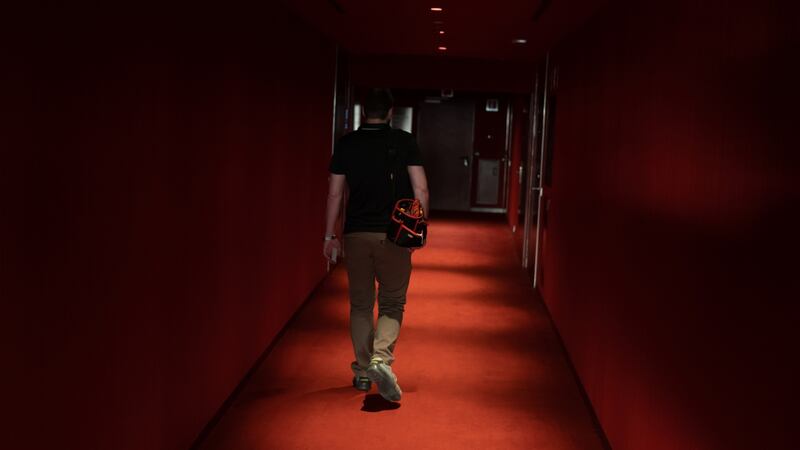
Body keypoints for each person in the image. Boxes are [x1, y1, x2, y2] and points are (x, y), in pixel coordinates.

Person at [323, 88, 429, 402]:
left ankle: (361, 373)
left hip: (356, 235)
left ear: (364, 111)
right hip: (394, 235)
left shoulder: (347, 144)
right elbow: (421, 188)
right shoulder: (404, 141)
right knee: (392, 304)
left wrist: (330, 235)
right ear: (390, 112)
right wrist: (418, 230)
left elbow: (335, 194)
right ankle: (380, 359)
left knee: (359, 305)